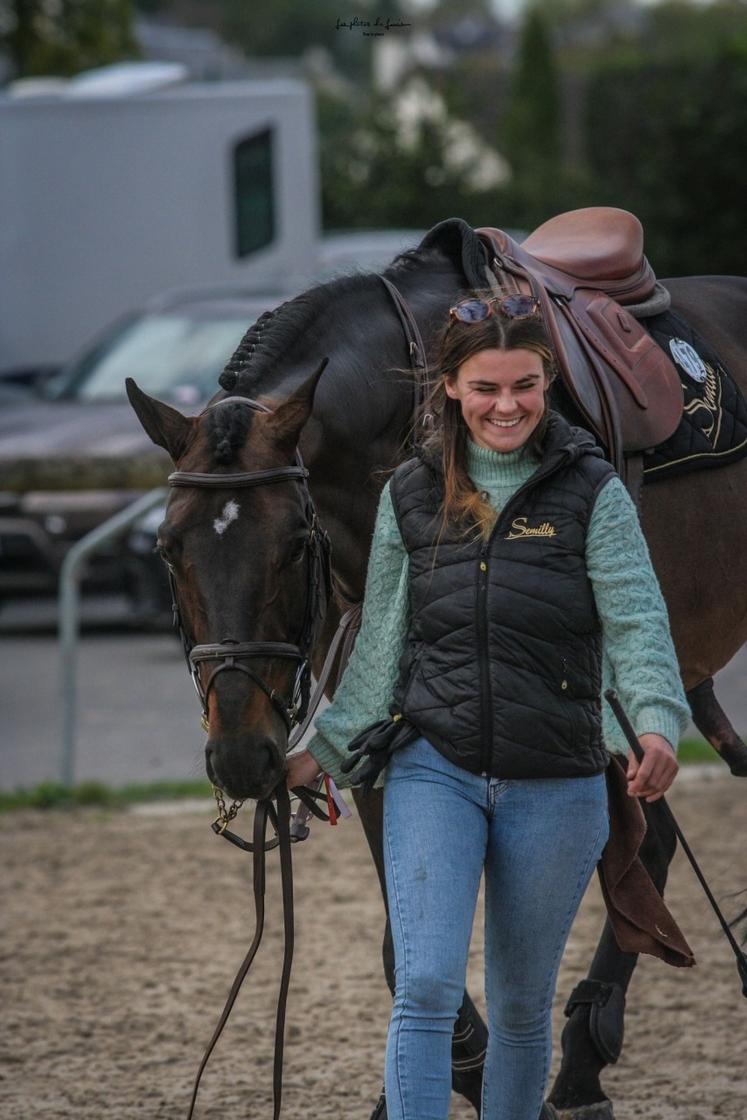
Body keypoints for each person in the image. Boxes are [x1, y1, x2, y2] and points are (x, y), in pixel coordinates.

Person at [286, 291, 689, 1120]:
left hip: (559, 777)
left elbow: (636, 618)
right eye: (485, 387)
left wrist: (653, 722)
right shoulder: (407, 495)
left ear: (546, 384)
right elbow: (381, 643)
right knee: (426, 985)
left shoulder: (591, 491)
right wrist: (318, 752)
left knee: (515, 1006)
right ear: (450, 389)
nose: (506, 405)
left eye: (524, 385)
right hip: (435, 768)